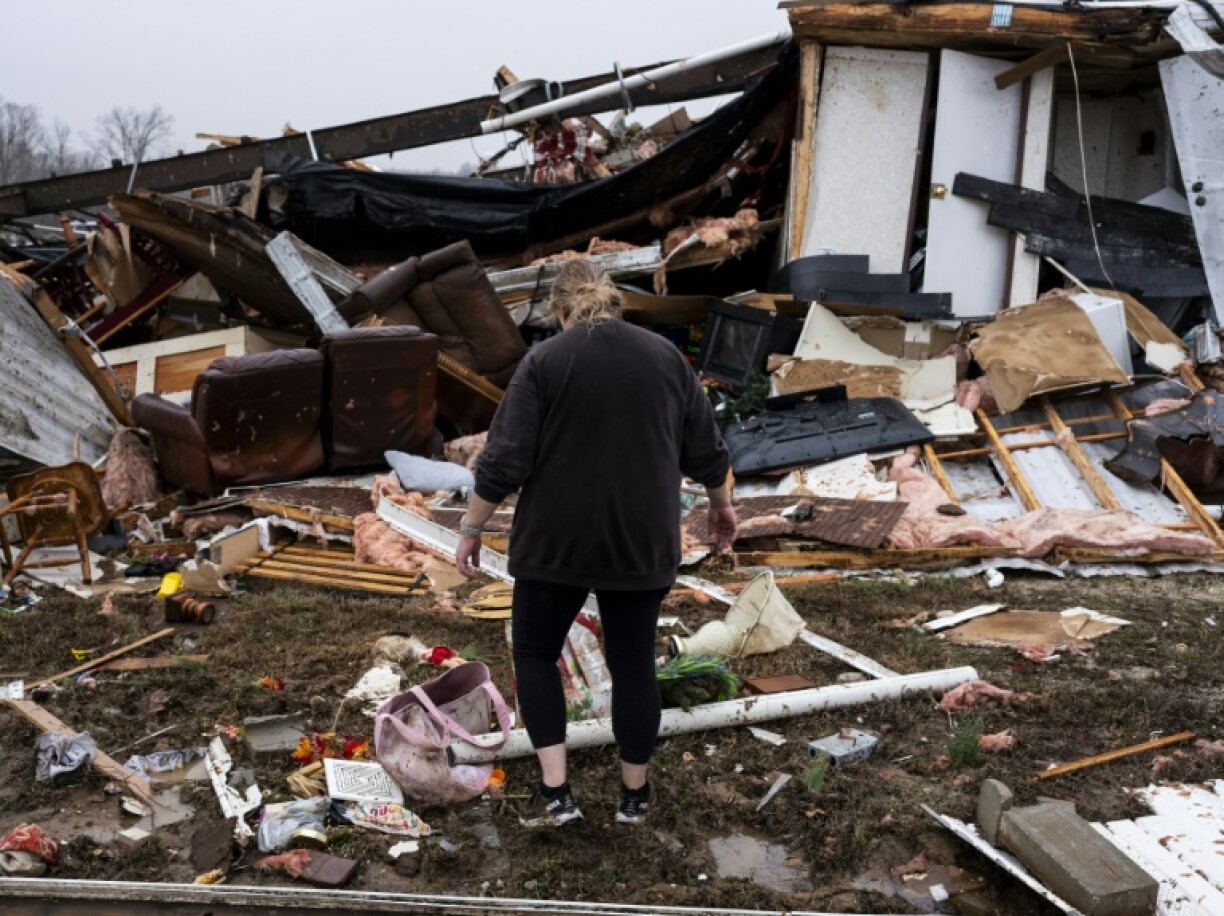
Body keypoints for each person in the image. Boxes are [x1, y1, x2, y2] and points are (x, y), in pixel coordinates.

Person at [455, 258, 737, 828]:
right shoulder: (665, 359)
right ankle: (634, 795)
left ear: (560, 311)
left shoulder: (544, 361)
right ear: (613, 302)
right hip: (642, 539)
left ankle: (556, 793)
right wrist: (722, 507)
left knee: (536, 653)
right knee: (632, 663)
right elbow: (706, 449)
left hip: (556, 540)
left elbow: (505, 459)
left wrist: (470, 528)